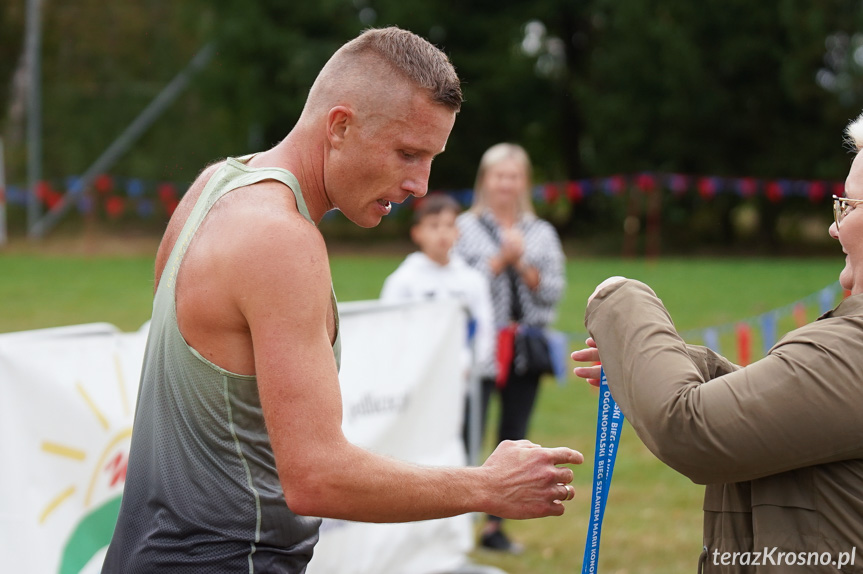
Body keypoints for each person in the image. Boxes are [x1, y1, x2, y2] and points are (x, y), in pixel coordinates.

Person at [102, 27, 582, 573]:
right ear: (340, 126)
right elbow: (315, 478)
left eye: (430, 159)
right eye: (406, 153)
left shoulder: (214, 185)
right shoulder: (280, 240)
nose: (420, 185)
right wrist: (486, 486)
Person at [572, 115, 863, 572]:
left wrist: (618, 298)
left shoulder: (854, 349)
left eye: (846, 206)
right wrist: (684, 365)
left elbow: (687, 427)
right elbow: (796, 422)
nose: (834, 227)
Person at [453, 143, 567, 554]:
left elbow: (554, 293)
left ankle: (494, 527)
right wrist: (500, 260)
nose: (505, 183)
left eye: (513, 176)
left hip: (524, 349)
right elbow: (456, 287)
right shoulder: (463, 228)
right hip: (478, 350)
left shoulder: (542, 232)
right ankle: (457, 523)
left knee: (514, 436)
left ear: (524, 182)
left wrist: (523, 265)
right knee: (468, 432)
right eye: (498, 175)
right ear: (485, 180)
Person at [380, 192, 496, 458]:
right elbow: (391, 332)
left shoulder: (472, 280)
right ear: (417, 233)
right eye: (434, 226)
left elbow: (485, 328)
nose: (442, 234)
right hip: (420, 382)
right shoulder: (404, 281)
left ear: (458, 231)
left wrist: (471, 365)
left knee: (465, 451)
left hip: (464, 381)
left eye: (448, 225)